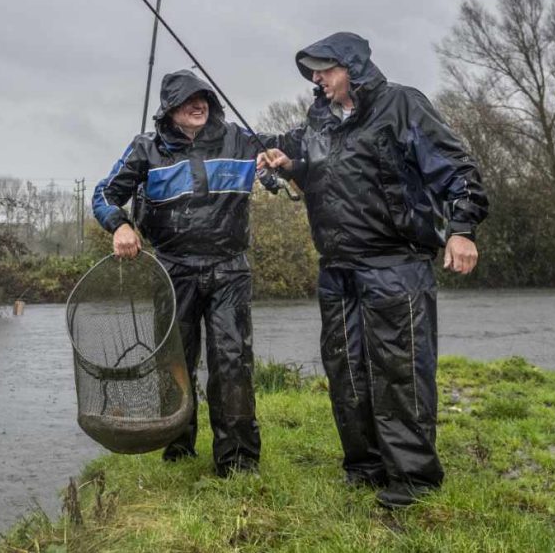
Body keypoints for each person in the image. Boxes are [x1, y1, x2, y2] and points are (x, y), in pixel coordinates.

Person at [257, 31, 487, 509]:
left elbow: (457, 168)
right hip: (337, 267)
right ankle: (364, 466)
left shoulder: (401, 105)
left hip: (395, 264)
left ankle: (413, 478)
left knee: (399, 371)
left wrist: (462, 228)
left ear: (352, 69)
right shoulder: (317, 123)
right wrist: (287, 164)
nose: (316, 79)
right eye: (313, 72)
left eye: (325, 69)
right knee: (346, 370)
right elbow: (317, 172)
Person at [93, 69, 261, 477]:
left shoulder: (238, 139)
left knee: (232, 363)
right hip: (172, 269)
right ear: (170, 110)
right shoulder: (144, 150)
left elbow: (280, 159)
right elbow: (102, 194)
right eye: (188, 100)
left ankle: (237, 460)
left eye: (203, 97)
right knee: (175, 364)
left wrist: (276, 163)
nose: (198, 104)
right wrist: (120, 225)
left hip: (230, 267)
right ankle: (178, 446)